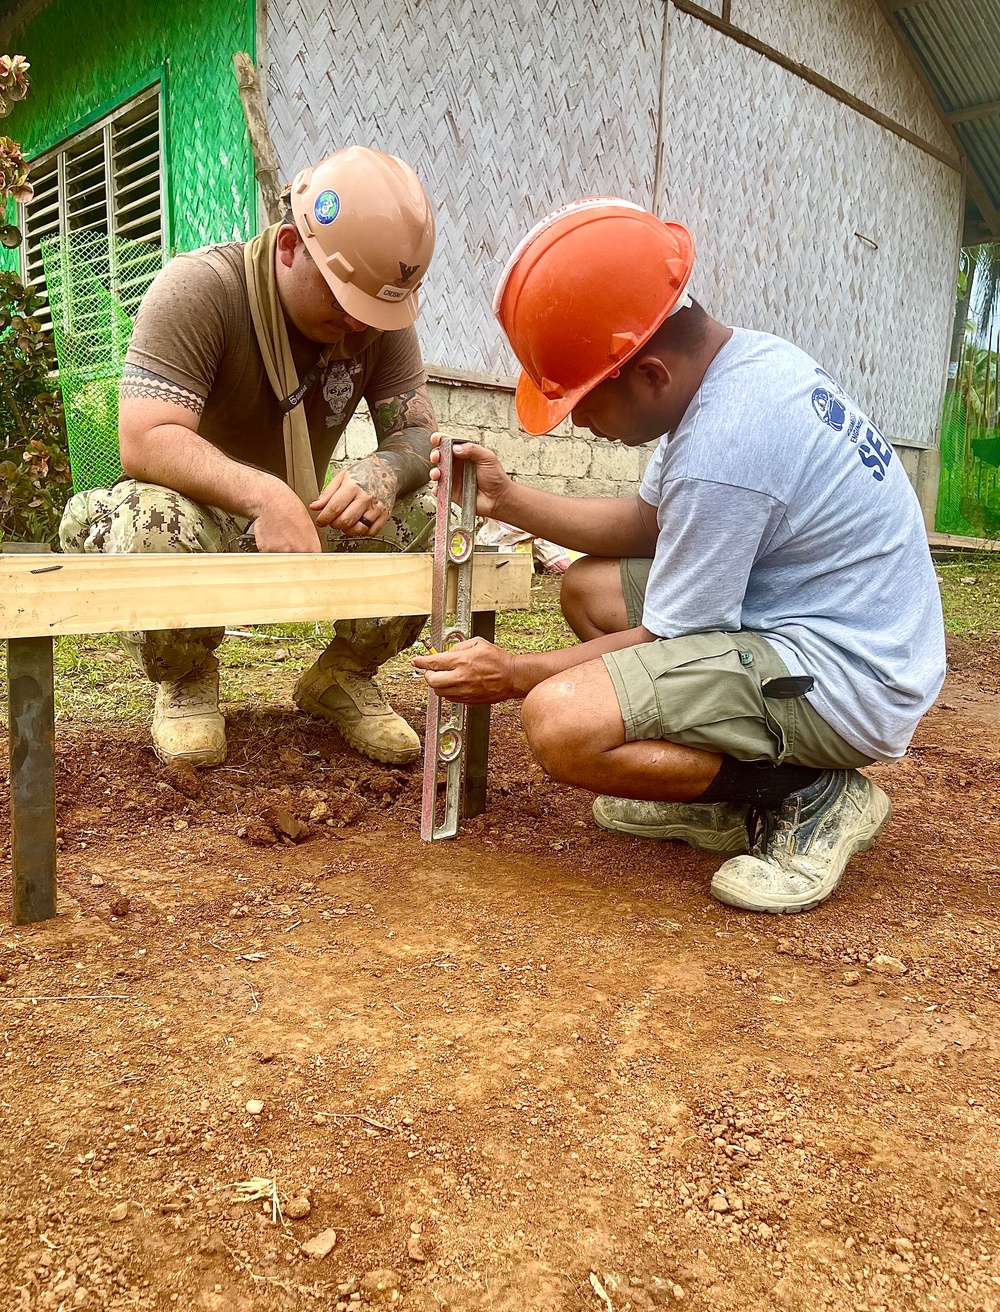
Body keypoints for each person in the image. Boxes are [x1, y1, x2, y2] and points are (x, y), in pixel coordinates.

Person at [414, 198, 946, 914]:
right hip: (812, 621)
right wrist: (508, 499)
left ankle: (810, 792)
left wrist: (514, 677)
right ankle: (718, 795)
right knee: (588, 592)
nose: (580, 423)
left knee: (561, 723)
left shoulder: (728, 445)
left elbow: (671, 634)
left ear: (651, 374)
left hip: (849, 676)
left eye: (583, 404)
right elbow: (647, 523)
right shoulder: (736, 366)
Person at [60, 146, 439, 769]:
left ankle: (341, 676)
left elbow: (420, 434)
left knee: (430, 510)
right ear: (290, 245)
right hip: (199, 514)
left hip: (302, 517)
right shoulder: (201, 289)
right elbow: (146, 436)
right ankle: (186, 675)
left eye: (373, 317)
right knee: (148, 524)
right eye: (344, 307)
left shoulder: (375, 312)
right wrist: (265, 494)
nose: (357, 332)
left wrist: (384, 470)